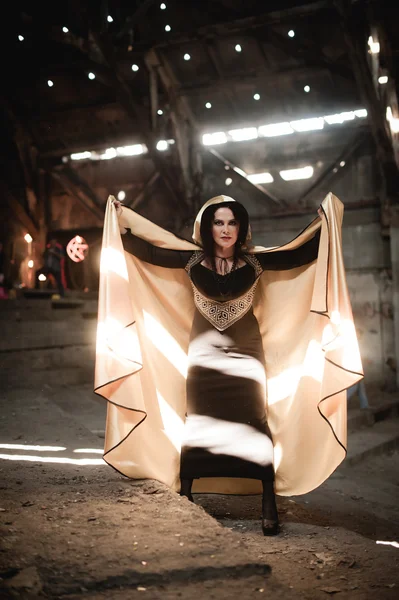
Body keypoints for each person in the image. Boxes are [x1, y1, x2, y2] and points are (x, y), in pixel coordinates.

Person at [95, 193, 363, 537]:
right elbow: (145, 250)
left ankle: (269, 503)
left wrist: (323, 222)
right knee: (199, 420)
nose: (225, 229)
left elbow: (300, 253)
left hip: (247, 355)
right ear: (208, 228)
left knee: (255, 421)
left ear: (241, 228)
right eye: (218, 222)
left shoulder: (257, 262)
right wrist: (121, 219)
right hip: (202, 356)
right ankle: (187, 493)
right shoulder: (190, 260)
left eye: (232, 222)